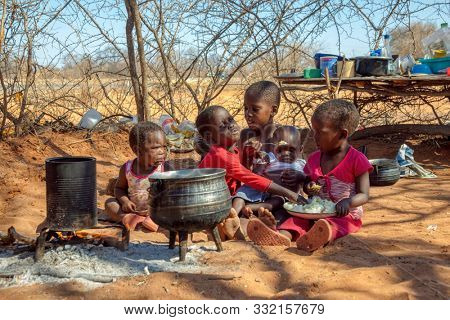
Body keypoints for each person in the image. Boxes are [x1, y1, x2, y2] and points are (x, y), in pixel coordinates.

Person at [247, 99, 373, 250]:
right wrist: (307, 184)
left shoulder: (357, 159)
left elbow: (364, 195)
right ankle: (282, 236)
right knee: (297, 218)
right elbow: (308, 185)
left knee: (333, 225)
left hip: (344, 214)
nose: (315, 136)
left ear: (342, 134)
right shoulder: (314, 158)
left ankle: (317, 237)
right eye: (314, 131)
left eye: (320, 132)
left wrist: (348, 202)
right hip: (314, 211)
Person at [196, 105, 306, 240]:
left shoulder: (233, 150)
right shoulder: (219, 155)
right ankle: (228, 226)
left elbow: (242, 171)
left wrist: (249, 155)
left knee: (250, 206)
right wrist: (289, 193)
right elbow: (250, 177)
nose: (231, 125)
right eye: (222, 126)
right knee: (245, 199)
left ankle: (237, 226)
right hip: (208, 205)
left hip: (224, 200)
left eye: (230, 120)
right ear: (210, 139)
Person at [104, 122, 172, 232]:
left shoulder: (165, 169)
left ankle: (154, 223)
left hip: (157, 212)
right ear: (137, 150)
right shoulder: (127, 168)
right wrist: (125, 201)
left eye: (164, 147)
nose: (162, 152)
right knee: (110, 203)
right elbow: (119, 189)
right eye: (155, 148)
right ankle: (131, 218)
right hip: (134, 210)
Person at [233, 125, 306, 219]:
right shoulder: (271, 158)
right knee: (242, 192)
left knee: (277, 201)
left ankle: (252, 208)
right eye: (280, 150)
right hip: (264, 190)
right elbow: (257, 170)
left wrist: (300, 176)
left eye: (291, 150)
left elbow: (307, 180)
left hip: (282, 194)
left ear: (300, 149)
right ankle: (233, 214)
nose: (285, 154)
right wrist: (257, 156)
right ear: (274, 150)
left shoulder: (301, 164)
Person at [240, 80, 281, 170]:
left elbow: (292, 166)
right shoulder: (245, 136)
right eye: (246, 108)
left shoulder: (281, 136)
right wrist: (247, 155)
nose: (248, 114)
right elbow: (243, 172)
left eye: (255, 109)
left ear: (273, 111)